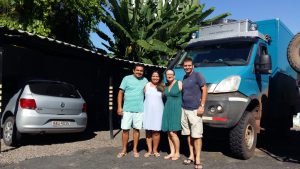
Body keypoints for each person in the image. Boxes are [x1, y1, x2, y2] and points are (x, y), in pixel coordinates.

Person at [116, 64, 148, 158]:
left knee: (136, 130)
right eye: (137, 70)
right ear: (133, 70)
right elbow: (120, 93)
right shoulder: (126, 78)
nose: (139, 72)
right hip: (127, 110)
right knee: (125, 130)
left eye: (141, 71)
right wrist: (119, 107)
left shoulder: (145, 80)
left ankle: (135, 149)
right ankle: (124, 149)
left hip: (139, 110)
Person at [181, 57, 207, 169]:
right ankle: (191, 155)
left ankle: (198, 159)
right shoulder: (184, 77)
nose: (187, 67)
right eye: (185, 66)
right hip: (184, 109)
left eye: (189, 65)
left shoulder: (198, 75)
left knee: (197, 135)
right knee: (188, 134)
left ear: (192, 66)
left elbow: (204, 89)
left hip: (195, 110)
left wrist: (202, 106)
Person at [161, 69, 182, 161]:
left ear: (174, 75)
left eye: (171, 74)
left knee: (173, 132)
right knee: (169, 132)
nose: (169, 76)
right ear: (165, 76)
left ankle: (177, 152)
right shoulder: (165, 85)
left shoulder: (179, 83)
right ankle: (172, 152)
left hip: (176, 109)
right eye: (167, 74)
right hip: (167, 109)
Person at [143, 71, 165, 158]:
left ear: (159, 77)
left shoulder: (163, 86)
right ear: (151, 77)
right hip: (147, 110)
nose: (155, 78)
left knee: (156, 131)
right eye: (153, 76)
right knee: (148, 131)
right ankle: (149, 150)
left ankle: (155, 150)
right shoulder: (147, 85)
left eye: (157, 76)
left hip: (158, 111)